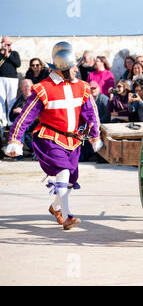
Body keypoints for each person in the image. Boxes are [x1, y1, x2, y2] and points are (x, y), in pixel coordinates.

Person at [4, 41, 102, 230]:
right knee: (63, 172)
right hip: (49, 137)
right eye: (73, 66)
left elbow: (91, 112)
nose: (76, 69)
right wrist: (15, 139)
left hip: (73, 140)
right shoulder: (43, 88)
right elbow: (26, 115)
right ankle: (67, 217)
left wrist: (94, 135)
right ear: (64, 68)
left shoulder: (82, 87)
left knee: (71, 181)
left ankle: (56, 207)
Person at [0, 36, 21, 127]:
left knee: (11, 100)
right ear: (1, 43)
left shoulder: (14, 53)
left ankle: (11, 120)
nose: (7, 46)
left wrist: (8, 55)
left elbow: (18, 64)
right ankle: (2, 121)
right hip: (0, 78)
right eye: (5, 44)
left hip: (12, 78)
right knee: (0, 100)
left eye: (9, 44)